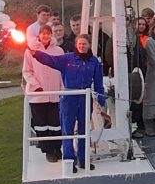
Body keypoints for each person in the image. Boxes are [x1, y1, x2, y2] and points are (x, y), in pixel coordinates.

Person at [31, 34, 108, 172]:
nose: (82, 46)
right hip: (69, 98)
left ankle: (83, 160)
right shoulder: (67, 59)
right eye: (79, 44)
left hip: (85, 98)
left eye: (84, 44)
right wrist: (36, 54)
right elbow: (50, 60)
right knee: (68, 130)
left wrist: (101, 98)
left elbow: (98, 82)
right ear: (76, 45)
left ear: (89, 45)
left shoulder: (94, 61)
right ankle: (69, 161)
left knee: (84, 130)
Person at [22, 25, 63, 163]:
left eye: (48, 33)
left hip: (55, 94)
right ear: (38, 35)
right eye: (43, 33)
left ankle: (58, 148)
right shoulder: (30, 51)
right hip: (38, 95)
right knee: (41, 125)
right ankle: (48, 151)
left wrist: (63, 90)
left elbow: (62, 71)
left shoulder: (58, 51)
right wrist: (36, 86)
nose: (46, 36)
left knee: (56, 124)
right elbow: (27, 72)